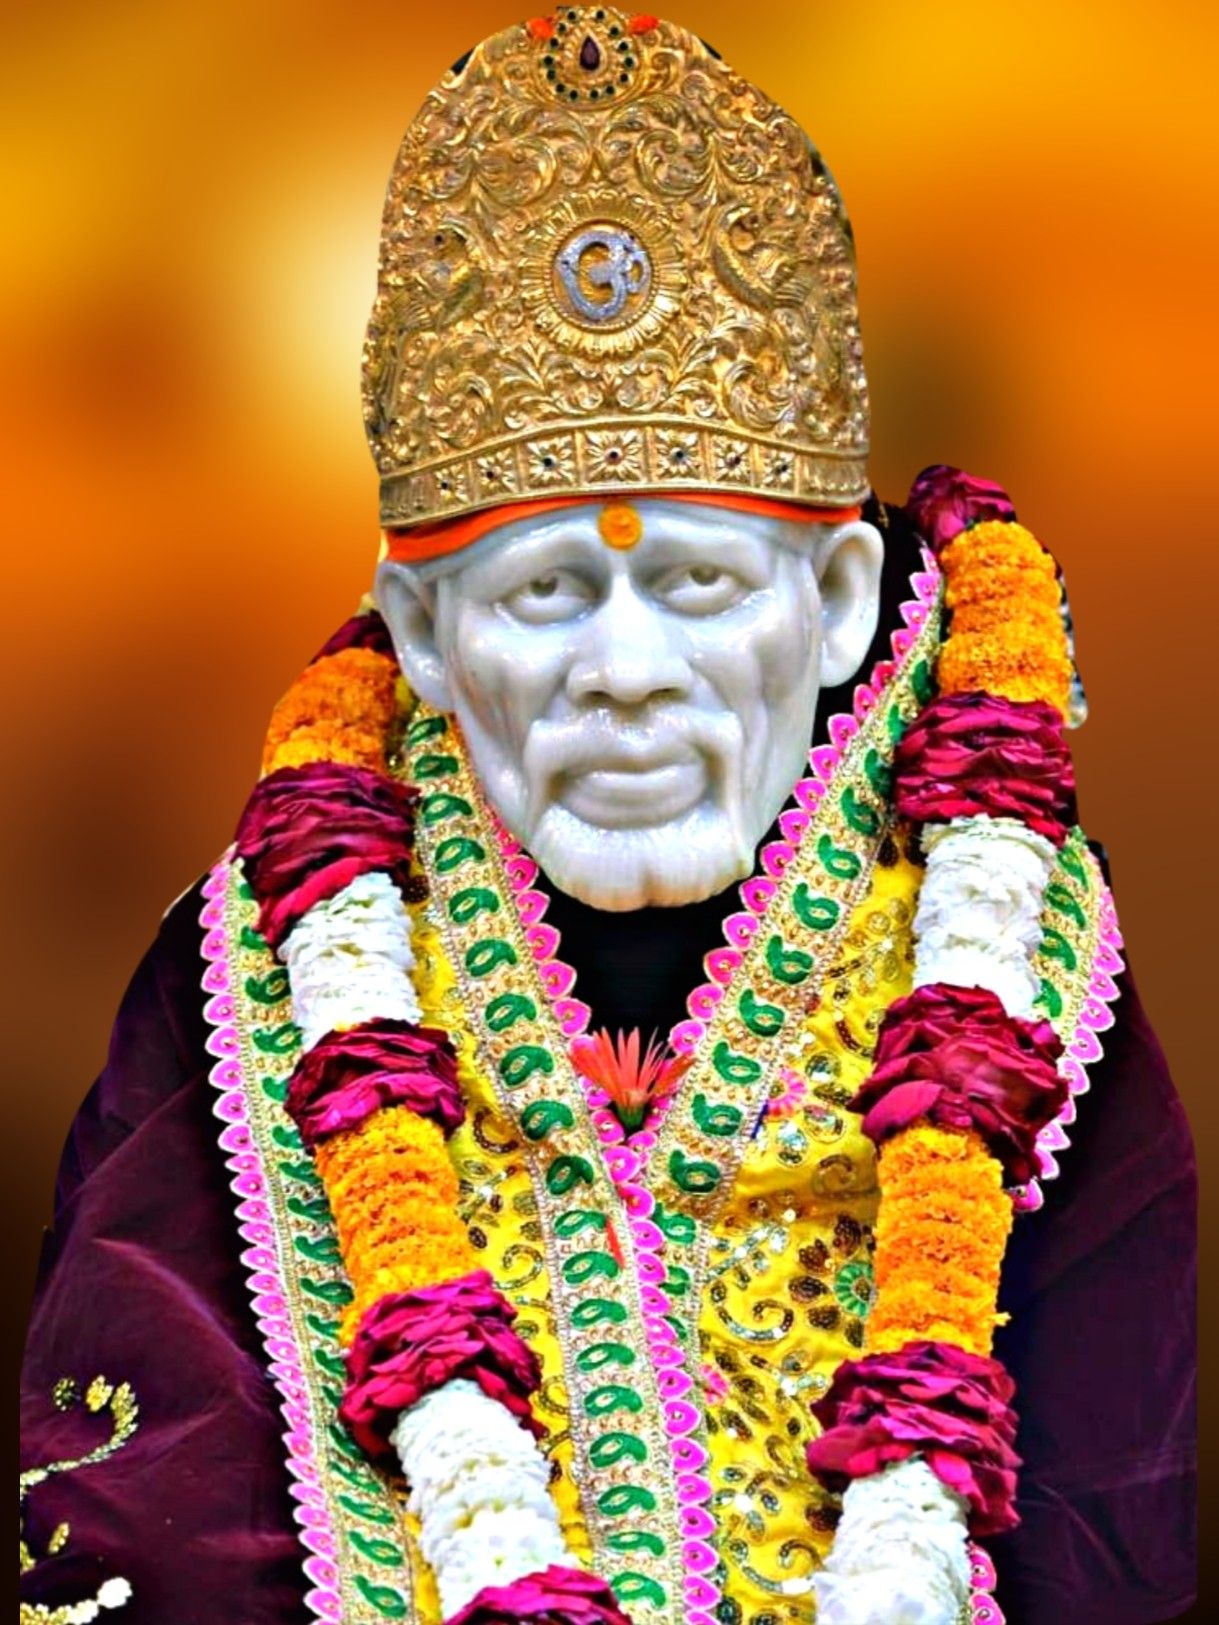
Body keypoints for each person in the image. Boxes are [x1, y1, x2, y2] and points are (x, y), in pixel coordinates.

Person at [20, 9, 1195, 1625]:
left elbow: (1125, 1516)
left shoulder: (1020, 940)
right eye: (549, 591)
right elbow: (133, 1516)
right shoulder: (248, 977)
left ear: (841, 600)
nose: (627, 671)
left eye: (702, 584)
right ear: (423, 634)